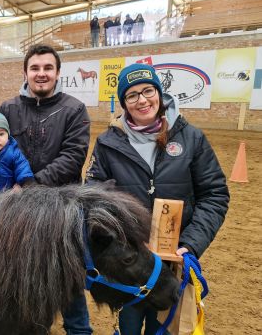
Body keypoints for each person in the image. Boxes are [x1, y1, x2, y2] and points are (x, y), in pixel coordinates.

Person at [0, 44, 92, 335]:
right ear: (25, 72)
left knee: (69, 275)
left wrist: (30, 186)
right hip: (16, 211)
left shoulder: (74, 110)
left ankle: (79, 331)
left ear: (58, 72)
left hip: (60, 208)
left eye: (48, 68)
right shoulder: (7, 110)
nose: (41, 74)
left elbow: (73, 156)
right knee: (22, 275)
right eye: (35, 68)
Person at [85, 63, 229, 335]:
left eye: (148, 91)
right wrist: (119, 239)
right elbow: (93, 196)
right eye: (132, 95)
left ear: (159, 94)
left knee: (163, 327)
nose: (142, 100)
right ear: (124, 103)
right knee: (128, 326)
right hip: (131, 262)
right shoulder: (107, 144)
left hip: (174, 261)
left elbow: (214, 195)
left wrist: (192, 243)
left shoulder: (192, 138)